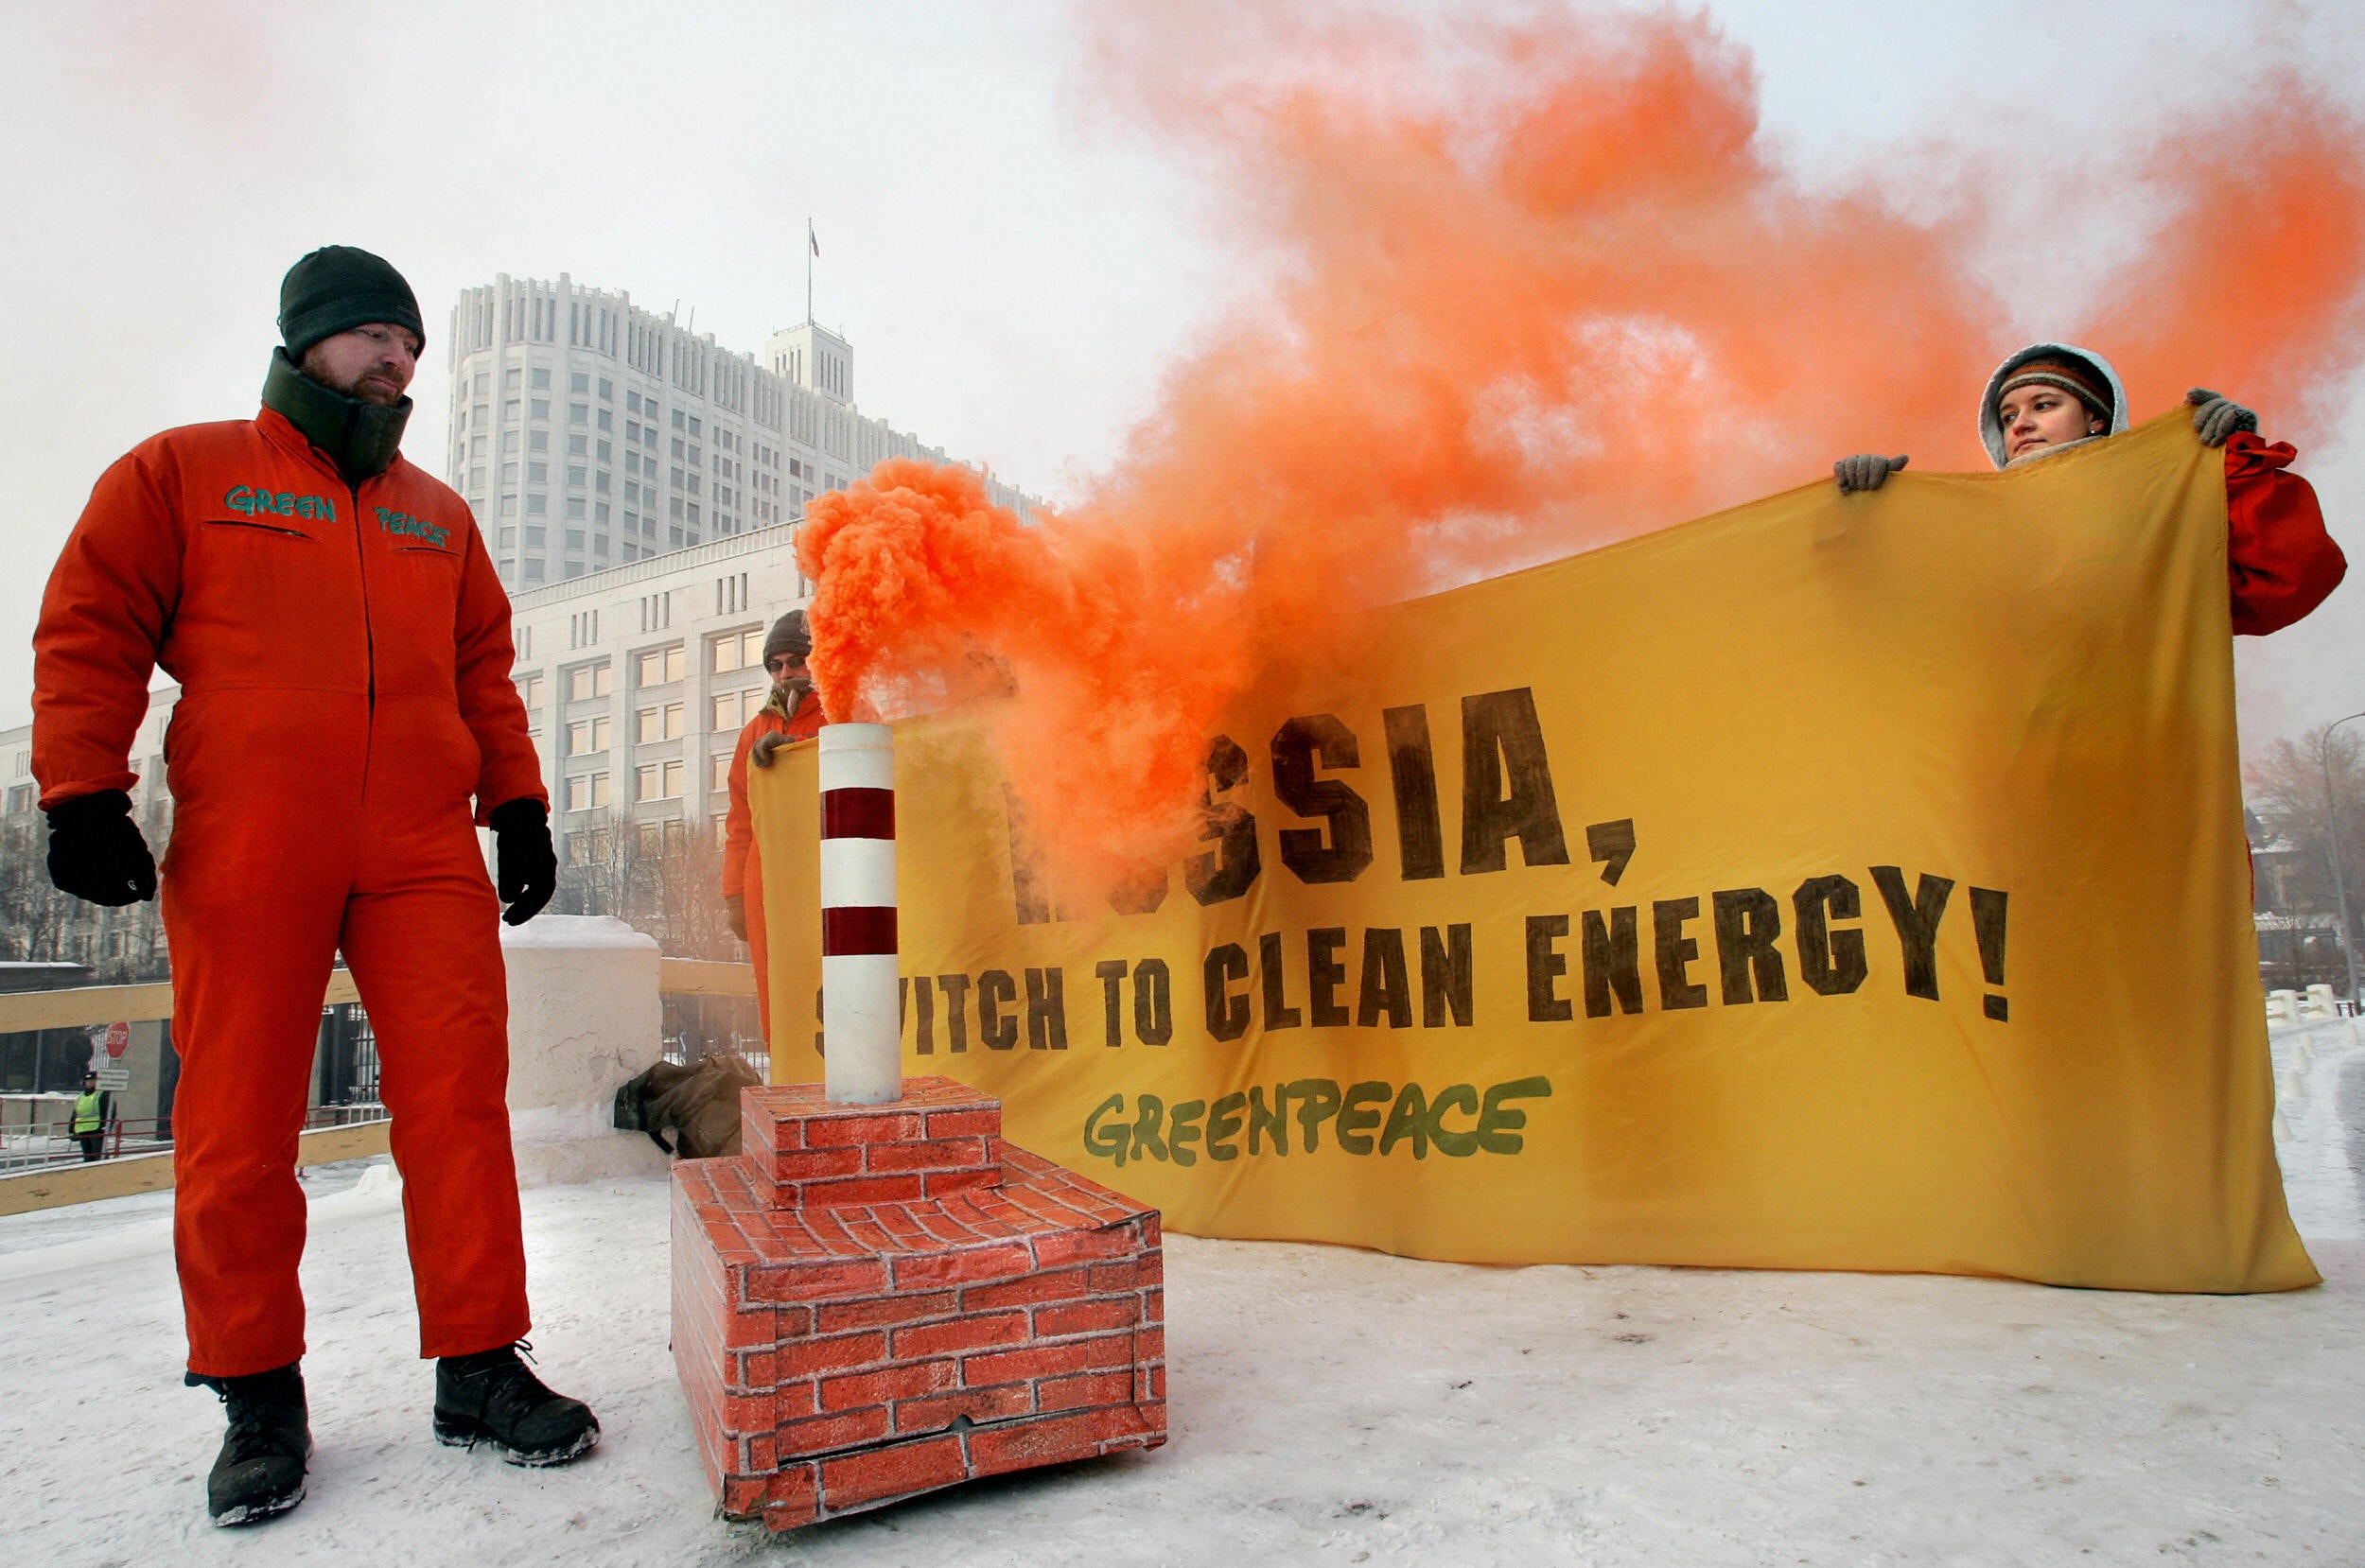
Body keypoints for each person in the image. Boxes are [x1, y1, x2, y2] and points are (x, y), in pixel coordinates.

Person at [31, 246, 596, 1527]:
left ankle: (479, 1362)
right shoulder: (186, 471)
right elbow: (93, 619)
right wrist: (79, 792)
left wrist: (517, 804)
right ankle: (256, 1392)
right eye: (376, 337)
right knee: (237, 1118)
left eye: (412, 344)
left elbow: (483, 671)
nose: (400, 360)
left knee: (460, 1098)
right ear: (309, 338)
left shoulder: (438, 516)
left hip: (418, 844)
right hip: (252, 839)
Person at [1831, 342, 2346, 635]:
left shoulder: (2156, 514)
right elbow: (1871, 616)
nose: (2021, 425)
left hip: (2143, 775)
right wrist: (1862, 515)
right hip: (2005, 785)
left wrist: (2234, 469)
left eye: (2045, 405)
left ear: (2097, 419)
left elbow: (2288, 582)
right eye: (2008, 416)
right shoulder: (1967, 532)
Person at [722, 610, 826, 1042]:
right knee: (776, 992)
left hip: (828, 875)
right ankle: (788, 1078)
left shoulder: (845, 708)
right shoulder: (753, 731)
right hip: (765, 884)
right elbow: (740, 821)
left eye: (797, 660)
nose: (785, 673)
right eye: (775, 664)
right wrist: (733, 894)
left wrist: (799, 750)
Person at [71, 1070, 110, 1162]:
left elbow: (107, 1111)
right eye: (88, 1081)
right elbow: (75, 1114)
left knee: (98, 1154)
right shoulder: (80, 1097)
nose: (89, 1083)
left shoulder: (101, 1094)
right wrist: (71, 1129)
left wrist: (106, 1126)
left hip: (96, 1129)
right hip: (82, 1129)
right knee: (87, 1156)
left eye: (92, 1081)